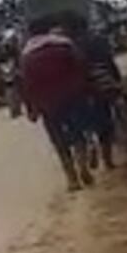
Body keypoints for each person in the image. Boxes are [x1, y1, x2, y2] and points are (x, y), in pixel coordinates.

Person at [19, 15, 93, 191]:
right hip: (72, 97)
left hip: (48, 104)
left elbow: (27, 85)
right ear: (49, 29)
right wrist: (86, 89)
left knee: (59, 141)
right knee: (78, 133)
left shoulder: (27, 56)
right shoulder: (64, 45)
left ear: (30, 34)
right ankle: (83, 166)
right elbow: (81, 67)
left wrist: (31, 108)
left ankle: (72, 179)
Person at [63, 13, 124, 171]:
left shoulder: (68, 47)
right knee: (106, 121)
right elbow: (110, 62)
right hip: (103, 84)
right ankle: (108, 159)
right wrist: (117, 80)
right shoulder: (99, 40)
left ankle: (90, 143)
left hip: (81, 90)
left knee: (85, 123)